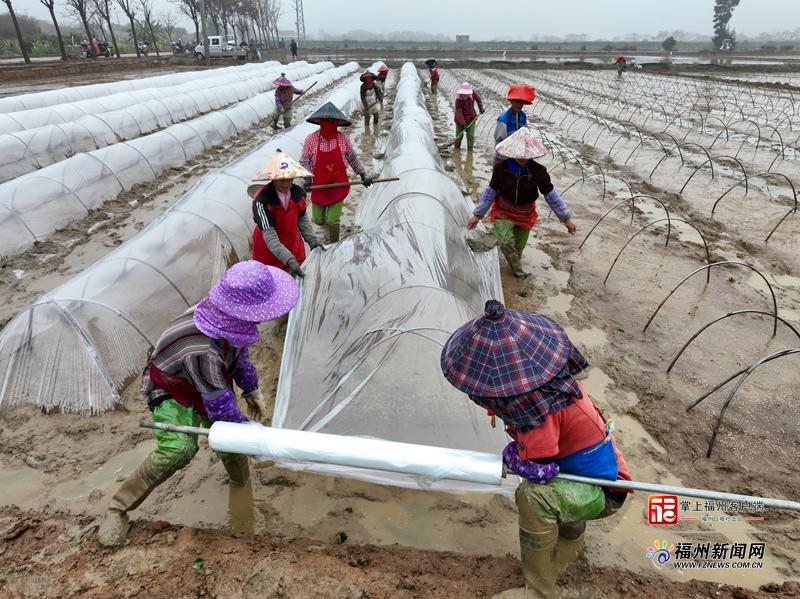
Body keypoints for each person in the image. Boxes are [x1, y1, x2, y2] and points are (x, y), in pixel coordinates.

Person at [97, 261, 299, 547]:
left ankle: (240, 484)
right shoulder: (202, 349)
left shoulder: (228, 319)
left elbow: (239, 355)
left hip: (208, 380)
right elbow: (221, 410)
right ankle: (117, 508)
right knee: (179, 449)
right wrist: (255, 438)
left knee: (231, 442)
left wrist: (251, 389)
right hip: (172, 386)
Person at [440, 300, 631, 599]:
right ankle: (570, 549)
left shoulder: (538, 411)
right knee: (560, 488)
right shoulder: (552, 384)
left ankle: (539, 592)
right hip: (593, 473)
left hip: (604, 491)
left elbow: (542, 470)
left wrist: (514, 457)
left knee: (532, 497)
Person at [467, 128, 576, 278]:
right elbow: (490, 192)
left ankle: (512, 269)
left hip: (525, 213)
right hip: (503, 210)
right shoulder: (501, 169)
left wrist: (566, 219)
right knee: (505, 240)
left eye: (526, 154)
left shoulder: (538, 171)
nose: (522, 157)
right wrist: (477, 215)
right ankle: (518, 274)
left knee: (518, 248)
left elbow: (550, 195)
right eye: (519, 153)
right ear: (511, 151)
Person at [300, 102, 373, 243]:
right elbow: (305, 160)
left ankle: (333, 245)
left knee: (333, 220)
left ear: (337, 123)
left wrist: (363, 174)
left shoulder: (342, 138)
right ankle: (326, 224)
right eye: (327, 121)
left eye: (333, 121)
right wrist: (307, 177)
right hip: (319, 186)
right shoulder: (311, 140)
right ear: (321, 122)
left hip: (338, 185)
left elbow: (352, 157)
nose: (330, 124)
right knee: (318, 220)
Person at [249, 149, 324, 278]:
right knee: (271, 281)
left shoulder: (298, 194)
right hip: (268, 251)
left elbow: (302, 220)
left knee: (297, 282)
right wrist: (289, 259)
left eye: (289, 178)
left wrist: (312, 241)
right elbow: (270, 238)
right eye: (280, 179)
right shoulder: (262, 201)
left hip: (293, 243)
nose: (285, 183)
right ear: (272, 178)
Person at [453, 82, 485, 151]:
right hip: (460, 121)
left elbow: (478, 99)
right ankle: (457, 150)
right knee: (459, 136)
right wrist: (463, 123)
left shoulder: (472, 94)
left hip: (471, 119)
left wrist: (481, 108)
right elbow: (459, 112)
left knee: (470, 136)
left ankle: (470, 151)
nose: (465, 95)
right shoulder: (458, 100)